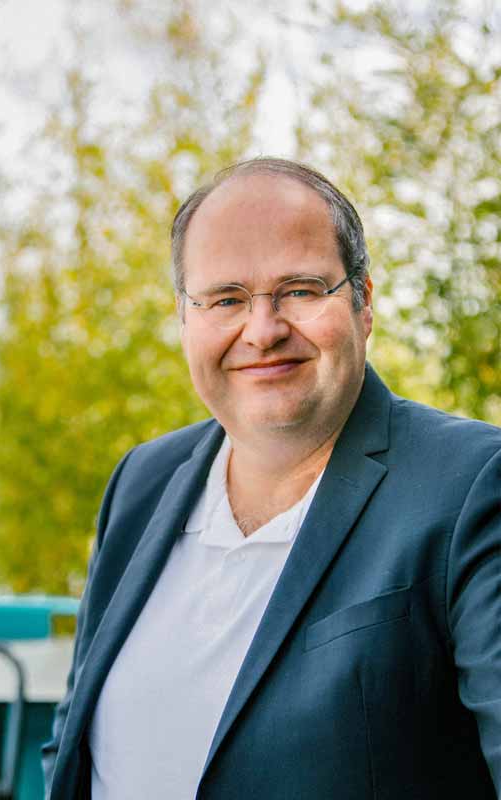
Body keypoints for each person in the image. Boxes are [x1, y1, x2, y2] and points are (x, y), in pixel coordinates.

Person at [42, 157, 501, 799]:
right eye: (226, 299)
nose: (262, 331)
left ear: (364, 302)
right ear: (184, 317)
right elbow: (73, 741)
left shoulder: (472, 483)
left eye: (301, 290)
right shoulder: (142, 482)